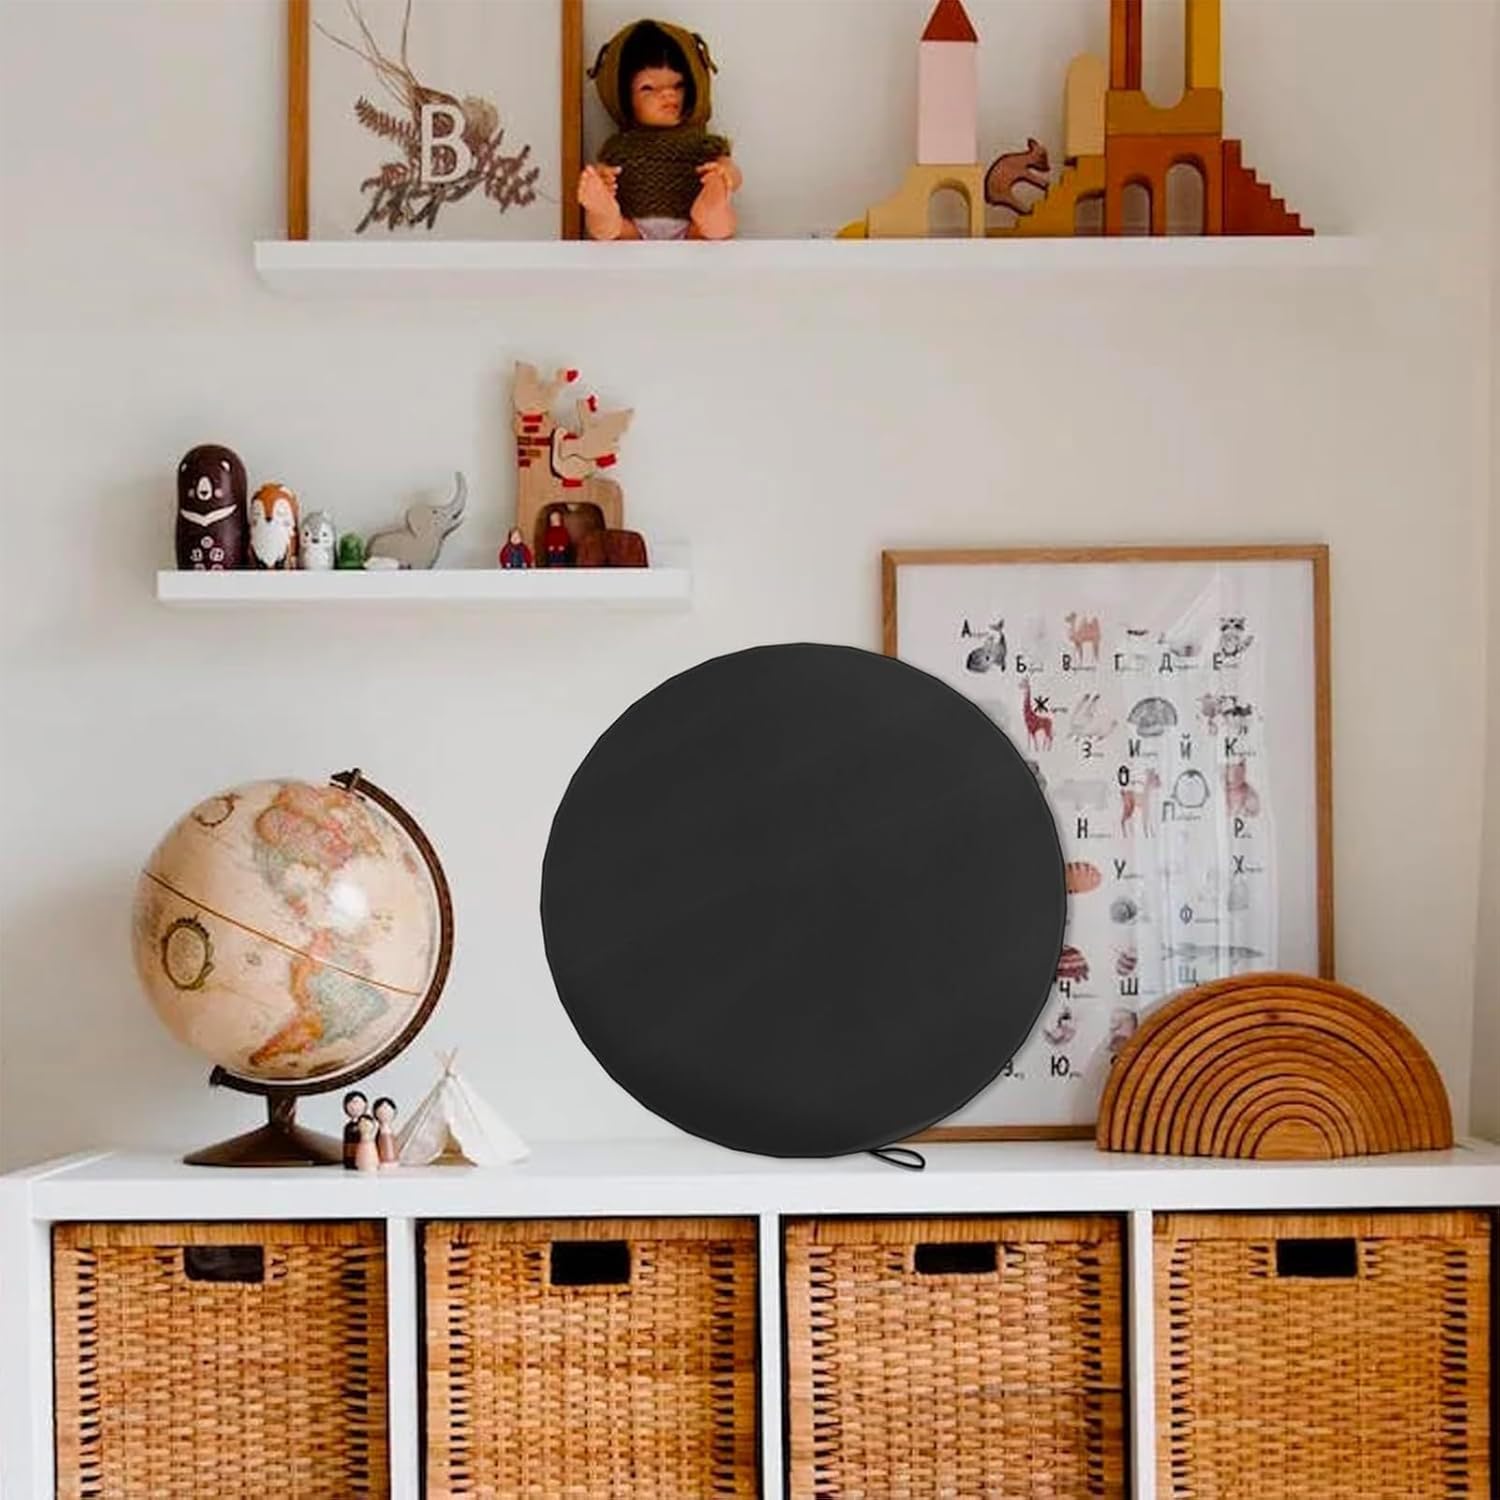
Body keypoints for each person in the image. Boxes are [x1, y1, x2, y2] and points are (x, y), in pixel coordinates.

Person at [578, 19, 740, 242]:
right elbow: (609, 169)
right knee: (608, 229)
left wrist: (725, 175)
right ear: (623, 97)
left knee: (719, 225)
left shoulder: (703, 144)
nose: (667, 94)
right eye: (648, 88)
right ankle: (602, 211)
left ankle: (710, 209)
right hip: (634, 230)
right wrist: (603, 180)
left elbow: (730, 169)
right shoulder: (620, 147)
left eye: (678, 85)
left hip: (691, 228)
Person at [342, 1090, 368, 1170]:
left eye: (357, 1103)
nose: (354, 1106)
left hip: (363, 1156)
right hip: (349, 1158)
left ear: (365, 1105)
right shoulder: (348, 1127)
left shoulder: (365, 1124)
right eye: (351, 1103)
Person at [373, 1097, 399, 1167]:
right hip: (383, 1162)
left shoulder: (389, 1130)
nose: (385, 1111)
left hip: (393, 1161)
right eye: (383, 1109)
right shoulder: (381, 1131)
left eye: (388, 1109)